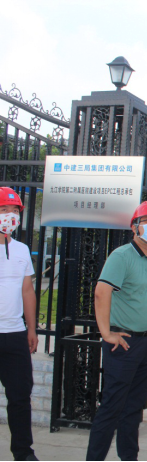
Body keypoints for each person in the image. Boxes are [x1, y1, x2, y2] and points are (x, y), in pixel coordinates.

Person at [86, 201, 147, 461]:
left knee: (133, 409)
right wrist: (106, 333)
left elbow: (142, 297)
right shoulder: (122, 256)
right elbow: (101, 292)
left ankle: (129, 456)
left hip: (146, 343)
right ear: (135, 227)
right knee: (112, 407)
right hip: (123, 343)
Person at [0, 187, 39, 462]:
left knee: (20, 397)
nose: (10, 216)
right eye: (4, 210)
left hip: (15, 334)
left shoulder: (22, 249)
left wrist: (32, 328)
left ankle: (23, 453)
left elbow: (27, 290)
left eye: (15, 211)